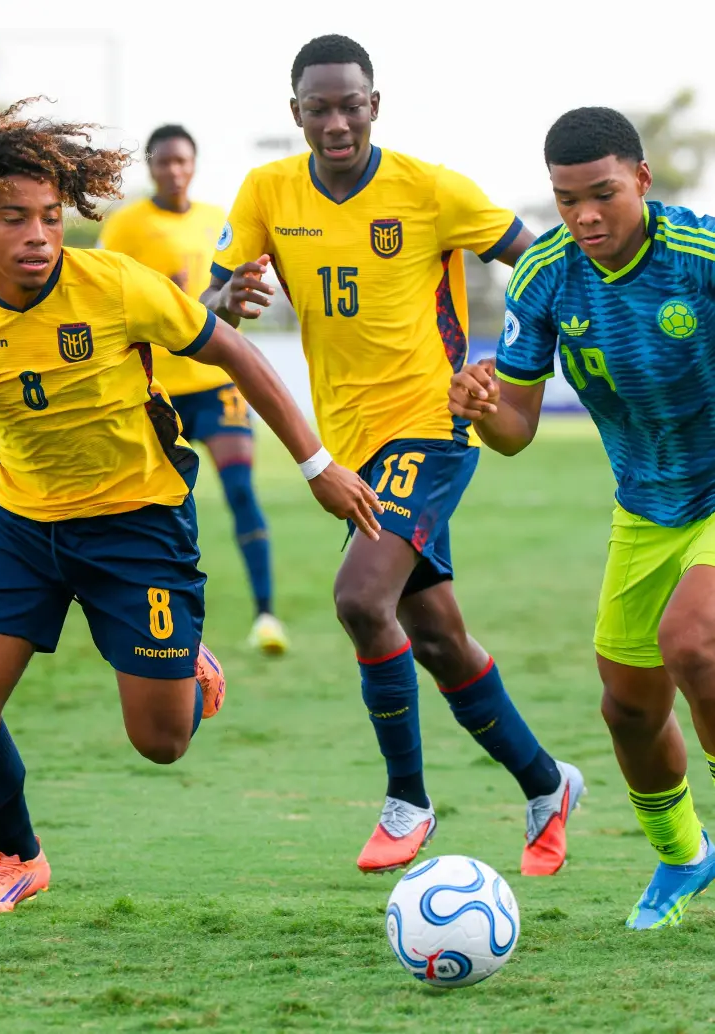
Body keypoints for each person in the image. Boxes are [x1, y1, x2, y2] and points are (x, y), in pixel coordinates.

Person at [0, 100, 380, 914]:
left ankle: (195, 671)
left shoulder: (114, 283)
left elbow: (235, 353)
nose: (39, 235)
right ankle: (16, 856)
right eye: (14, 218)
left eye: (51, 216)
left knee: (161, 743)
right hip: (21, 523)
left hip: (138, 524)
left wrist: (317, 464)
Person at [202, 34, 582, 876]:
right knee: (436, 636)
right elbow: (207, 306)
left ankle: (408, 799)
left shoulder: (431, 189)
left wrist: (515, 362)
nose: (336, 122)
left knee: (358, 598)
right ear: (294, 112)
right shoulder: (267, 190)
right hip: (352, 440)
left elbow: (545, 262)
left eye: (351, 105)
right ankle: (547, 783)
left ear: (377, 104)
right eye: (319, 108)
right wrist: (226, 294)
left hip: (433, 422)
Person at [450, 106, 715, 927]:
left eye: (603, 194)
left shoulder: (700, 257)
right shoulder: (544, 278)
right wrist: (478, 405)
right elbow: (517, 432)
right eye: (567, 201)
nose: (586, 216)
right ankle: (683, 859)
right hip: (645, 505)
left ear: (641, 179)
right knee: (627, 707)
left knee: (694, 642)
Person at [98, 125, 286, 655]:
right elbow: (107, 294)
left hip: (216, 381)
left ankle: (267, 616)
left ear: (194, 164)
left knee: (242, 490)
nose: (173, 170)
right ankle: (169, 622)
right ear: (151, 167)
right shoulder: (126, 225)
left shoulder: (217, 221)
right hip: (160, 387)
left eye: (182, 161)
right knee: (162, 507)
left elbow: (226, 299)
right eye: (163, 162)